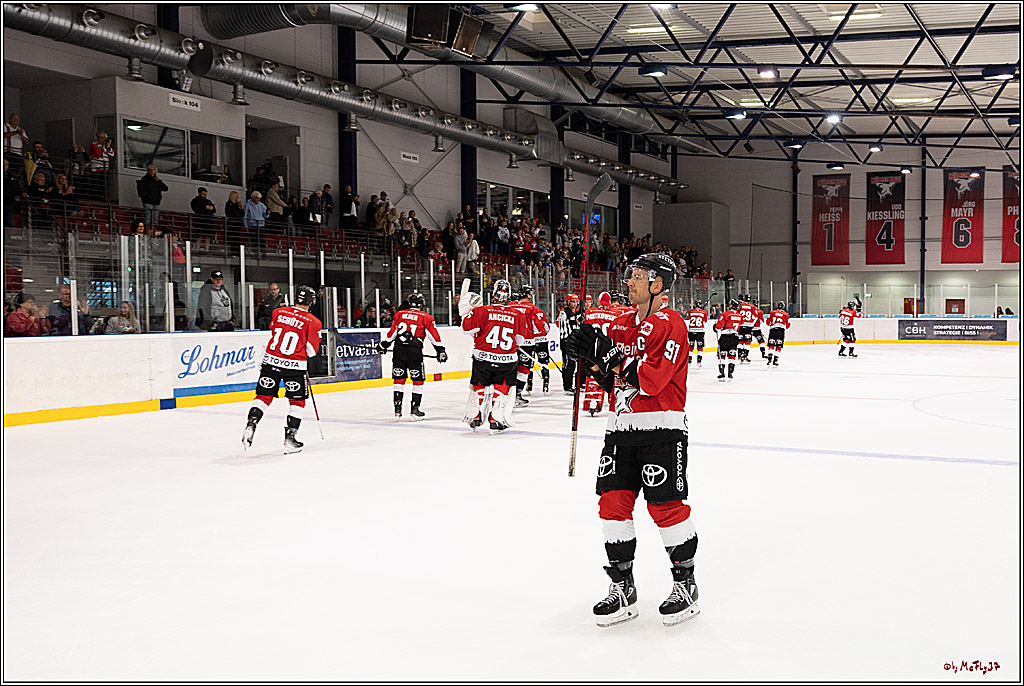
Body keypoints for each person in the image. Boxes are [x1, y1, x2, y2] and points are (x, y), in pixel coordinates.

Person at [565, 253, 698, 628]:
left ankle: (686, 586)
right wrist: (589, 358)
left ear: (658, 284)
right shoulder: (623, 323)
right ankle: (623, 588)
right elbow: (614, 380)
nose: (630, 282)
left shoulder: (671, 324)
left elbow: (653, 381)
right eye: (631, 275)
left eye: (639, 277)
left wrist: (608, 359)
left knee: (666, 508)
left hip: (662, 429)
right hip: (620, 431)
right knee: (612, 506)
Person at [242, 285, 322, 454]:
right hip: (294, 366)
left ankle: (252, 423)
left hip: (270, 361)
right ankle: (290, 439)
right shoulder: (313, 322)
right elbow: (312, 351)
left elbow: (274, 332)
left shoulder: (278, 312)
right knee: (297, 402)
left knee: (263, 396)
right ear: (311, 302)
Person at [459, 279, 530, 434]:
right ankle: (496, 419)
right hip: (506, 359)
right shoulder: (517, 314)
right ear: (509, 296)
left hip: (482, 358)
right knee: (502, 388)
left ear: (493, 295)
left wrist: (465, 313)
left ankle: (476, 416)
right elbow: (520, 340)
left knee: (479, 387)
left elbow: (466, 329)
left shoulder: (481, 311)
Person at [377, 292, 447, 420]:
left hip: (399, 350)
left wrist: (383, 345)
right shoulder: (426, 317)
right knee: (418, 380)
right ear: (422, 304)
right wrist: (440, 350)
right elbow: (433, 336)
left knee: (399, 379)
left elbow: (392, 333)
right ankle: (415, 410)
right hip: (414, 352)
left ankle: (397, 409)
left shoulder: (399, 314)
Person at [579, 291, 621, 416]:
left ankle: (592, 403)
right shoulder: (616, 314)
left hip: (592, 349)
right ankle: (613, 402)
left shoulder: (589, 312)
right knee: (610, 377)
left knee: (593, 375)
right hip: (608, 348)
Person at [519, 284, 552, 395]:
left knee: (527, 365)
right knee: (544, 363)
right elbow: (547, 327)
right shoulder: (536, 310)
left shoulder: (513, 307)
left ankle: (529, 385)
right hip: (541, 339)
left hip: (526, 341)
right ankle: (546, 386)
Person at [557, 293, 584, 395]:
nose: (575, 304)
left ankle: (574, 384)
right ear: (568, 302)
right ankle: (567, 386)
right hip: (566, 340)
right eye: (573, 301)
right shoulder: (565, 312)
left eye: (576, 301)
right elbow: (573, 326)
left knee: (573, 363)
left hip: (572, 340)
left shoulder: (571, 312)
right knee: (569, 363)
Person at [714, 299, 743, 381]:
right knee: (732, 355)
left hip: (725, 337)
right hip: (735, 337)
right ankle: (730, 373)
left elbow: (718, 327)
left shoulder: (725, 314)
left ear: (731, 306)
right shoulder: (740, 316)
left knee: (721, 355)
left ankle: (722, 373)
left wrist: (715, 327)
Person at [765, 301, 791, 367]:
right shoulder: (786, 314)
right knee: (778, 346)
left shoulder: (772, 312)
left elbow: (768, 322)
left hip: (773, 330)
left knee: (771, 345)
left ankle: (769, 359)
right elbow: (787, 325)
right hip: (780, 331)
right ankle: (775, 360)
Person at [191, 187, 217, 252]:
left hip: (208, 221)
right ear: (199, 193)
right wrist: (205, 207)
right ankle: (197, 249)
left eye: (205, 194)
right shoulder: (195, 201)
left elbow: (214, 210)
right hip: (200, 220)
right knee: (199, 236)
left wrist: (211, 208)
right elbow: (196, 209)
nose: (205, 195)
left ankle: (206, 250)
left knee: (208, 236)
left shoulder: (208, 201)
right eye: (203, 194)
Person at [686, 300, 708, 369]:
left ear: (695, 305)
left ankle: (689, 361)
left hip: (691, 331)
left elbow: (688, 318)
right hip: (700, 331)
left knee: (691, 347)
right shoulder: (704, 312)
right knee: (700, 347)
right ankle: (699, 361)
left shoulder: (690, 311)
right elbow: (705, 320)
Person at [736, 294, 757, 364]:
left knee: (740, 341)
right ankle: (745, 355)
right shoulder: (753, 307)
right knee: (747, 342)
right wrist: (752, 324)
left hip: (741, 326)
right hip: (749, 326)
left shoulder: (740, 305)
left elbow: (736, 314)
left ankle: (739, 355)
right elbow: (755, 317)